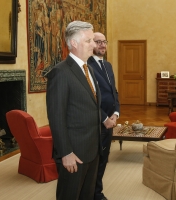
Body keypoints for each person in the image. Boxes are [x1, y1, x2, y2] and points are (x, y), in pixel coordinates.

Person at [46, 21, 102, 200]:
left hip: (92, 149)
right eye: (89, 41)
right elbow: (56, 117)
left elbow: (92, 107)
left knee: (87, 195)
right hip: (74, 153)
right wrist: (66, 152)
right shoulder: (60, 73)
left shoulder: (90, 69)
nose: (94, 45)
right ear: (74, 44)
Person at [88, 32, 120, 200]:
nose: (102, 45)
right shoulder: (87, 65)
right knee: (95, 160)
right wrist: (104, 118)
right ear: (91, 44)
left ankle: (96, 191)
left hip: (110, 120)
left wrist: (115, 113)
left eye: (104, 42)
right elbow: (89, 97)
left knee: (104, 158)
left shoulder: (107, 65)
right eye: (97, 42)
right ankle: (94, 193)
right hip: (96, 122)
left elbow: (114, 92)